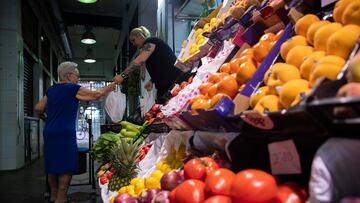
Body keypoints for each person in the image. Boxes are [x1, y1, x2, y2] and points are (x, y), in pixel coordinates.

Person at [34, 61, 117, 203]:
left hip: (49, 131)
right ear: (69, 75)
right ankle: (61, 197)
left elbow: (38, 109)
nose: (78, 79)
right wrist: (112, 85)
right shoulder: (71, 88)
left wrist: (48, 120)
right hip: (64, 132)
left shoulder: (52, 89)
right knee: (66, 165)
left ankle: (53, 195)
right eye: (77, 76)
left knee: (52, 164)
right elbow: (96, 95)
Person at [114, 26, 190, 104]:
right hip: (168, 85)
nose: (133, 44)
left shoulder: (151, 41)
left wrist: (122, 76)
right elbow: (161, 64)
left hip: (174, 82)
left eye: (134, 40)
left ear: (140, 35)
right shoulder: (152, 45)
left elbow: (139, 60)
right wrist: (152, 80)